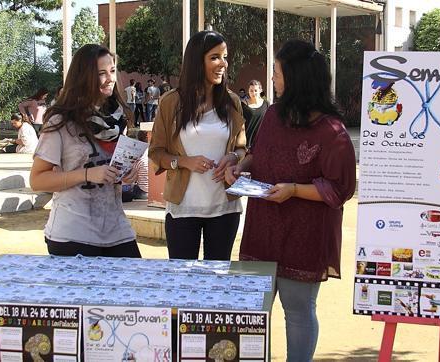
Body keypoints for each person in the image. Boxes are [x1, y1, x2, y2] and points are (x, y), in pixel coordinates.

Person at [225, 40, 356, 362]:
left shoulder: (332, 132)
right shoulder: (272, 115)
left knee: (298, 312)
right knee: (252, 312)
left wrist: (295, 190)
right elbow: (258, 155)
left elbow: (341, 189)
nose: (272, 79)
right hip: (262, 232)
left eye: (278, 73)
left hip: (305, 236)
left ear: (297, 78)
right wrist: (240, 168)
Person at [29, 44, 142, 258]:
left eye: (111, 71)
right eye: (101, 73)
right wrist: (88, 174)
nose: (110, 78)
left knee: (135, 287)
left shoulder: (117, 119)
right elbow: (37, 180)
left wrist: (124, 174)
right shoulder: (60, 121)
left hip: (116, 229)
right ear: (83, 77)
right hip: (73, 233)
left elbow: (111, 167)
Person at [149, 30, 247, 261]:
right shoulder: (171, 102)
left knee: (217, 281)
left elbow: (243, 148)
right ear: (196, 61)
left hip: (225, 207)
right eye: (215, 57)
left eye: (225, 56)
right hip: (183, 208)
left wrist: (233, 157)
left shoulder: (232, 101)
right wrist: (184, 162)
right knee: (183, 285)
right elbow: (156, 152)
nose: (223, 63)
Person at [241, 80, 269, 149]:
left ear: (260, 90)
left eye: (256, 90)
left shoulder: (266, 104)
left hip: (261, 144)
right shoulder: (243, 105)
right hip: (246, 144)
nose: (253, 93)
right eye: (251, 91)